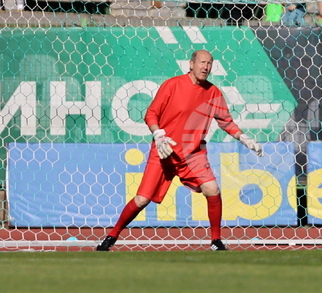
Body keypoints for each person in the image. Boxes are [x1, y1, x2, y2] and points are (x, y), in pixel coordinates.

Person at [96, 50, 265, 252]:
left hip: (193, 155)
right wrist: (158, 135)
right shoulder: (172, 85)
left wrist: (244, 138)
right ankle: (112, 235)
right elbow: (151, 113)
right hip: (164, 152)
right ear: (191, 64)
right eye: (202, 62)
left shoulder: (213, 93)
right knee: (142, 200)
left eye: (210, 63)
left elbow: (226, 122)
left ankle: (216, 241)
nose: (206, 67)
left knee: (212, 189)